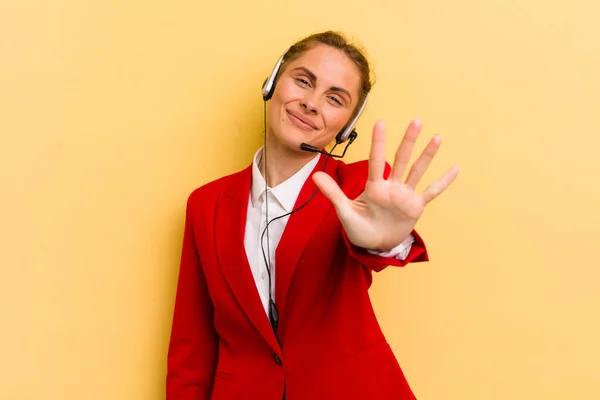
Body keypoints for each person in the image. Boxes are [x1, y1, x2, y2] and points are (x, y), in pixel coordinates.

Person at [166, 30, 458, 400]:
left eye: (335, 99)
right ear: (272, 83)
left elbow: (374, 239)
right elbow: (191, 344)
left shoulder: (361, 189)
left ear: (347, 126)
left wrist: (387, 244)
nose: (311, 103)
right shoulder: (205, 204)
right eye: (303, 81)